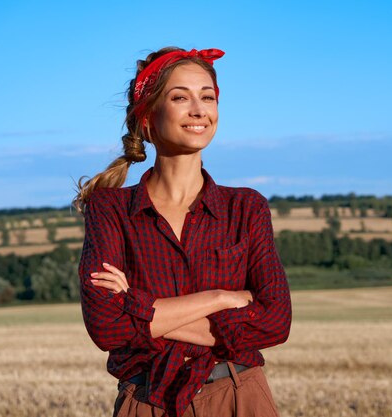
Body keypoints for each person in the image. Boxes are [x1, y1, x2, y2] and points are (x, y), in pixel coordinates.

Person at [73, 46, 292, 417]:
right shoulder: (110, 209)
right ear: (147, 119)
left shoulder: (246, 207)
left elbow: (274, 323)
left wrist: (137, 306)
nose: (199, 110)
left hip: (240, 396)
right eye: (180, 97)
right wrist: (222, 298)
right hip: (147, 402)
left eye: (207, 97)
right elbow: (107, 328)